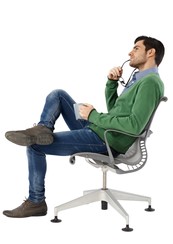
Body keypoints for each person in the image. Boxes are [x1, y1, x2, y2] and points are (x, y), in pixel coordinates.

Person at [3, 35, 165, 218]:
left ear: (151, 52)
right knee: (58, 95)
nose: (130, 52)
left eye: (136, 48)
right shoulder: (139, 78)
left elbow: (134, 126)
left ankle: (36, 202)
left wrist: (93, 115)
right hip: (100, 131)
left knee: (34, 145)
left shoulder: (150, 82)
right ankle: (43, 129)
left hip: (106, 140)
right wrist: (111, 84)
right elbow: (115, 112)